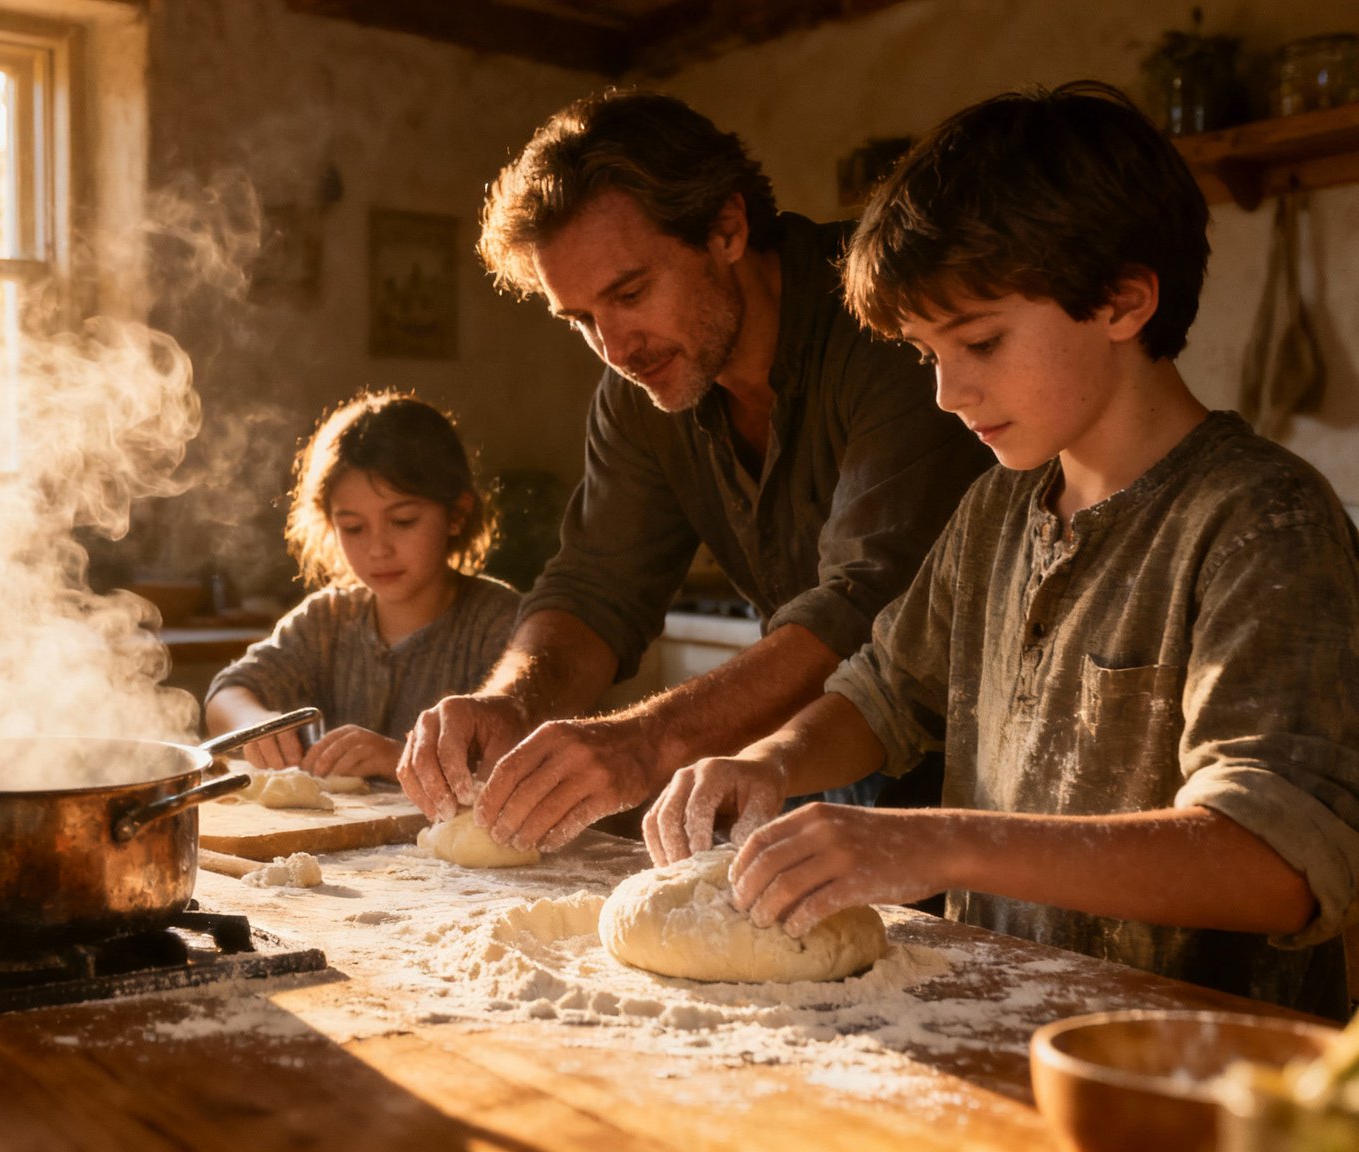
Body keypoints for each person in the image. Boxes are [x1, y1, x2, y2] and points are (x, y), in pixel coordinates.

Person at [647, 81, 1359, 1015]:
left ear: (1124, 300)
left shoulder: (1261, 523)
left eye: (979, 341)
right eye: (925, 354)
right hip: (1002, 1025)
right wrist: (773, 762)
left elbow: (1276, 861)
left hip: (1192, 1067)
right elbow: (885, 693)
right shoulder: (998, 509)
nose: (947, 393)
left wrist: (935, 844)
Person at [398, 89, 993, 850]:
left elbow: (865, 606)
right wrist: (513, 703)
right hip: (815, 760)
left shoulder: (887, 326)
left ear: (727, 229)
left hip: (977, 778)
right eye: (580, 320)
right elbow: (595, 586)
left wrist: (648, 740)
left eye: (630, 293)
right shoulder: (640, 387)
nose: (615, 348)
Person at [206, 392, 521, 778]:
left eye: (403, 520)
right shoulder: (326, 621)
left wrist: (400, 760)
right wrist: (258, 726)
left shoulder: (502, 625)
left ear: (457, 514)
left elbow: (518, 760)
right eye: (353, 527)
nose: (377, 549)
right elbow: (227, 694)